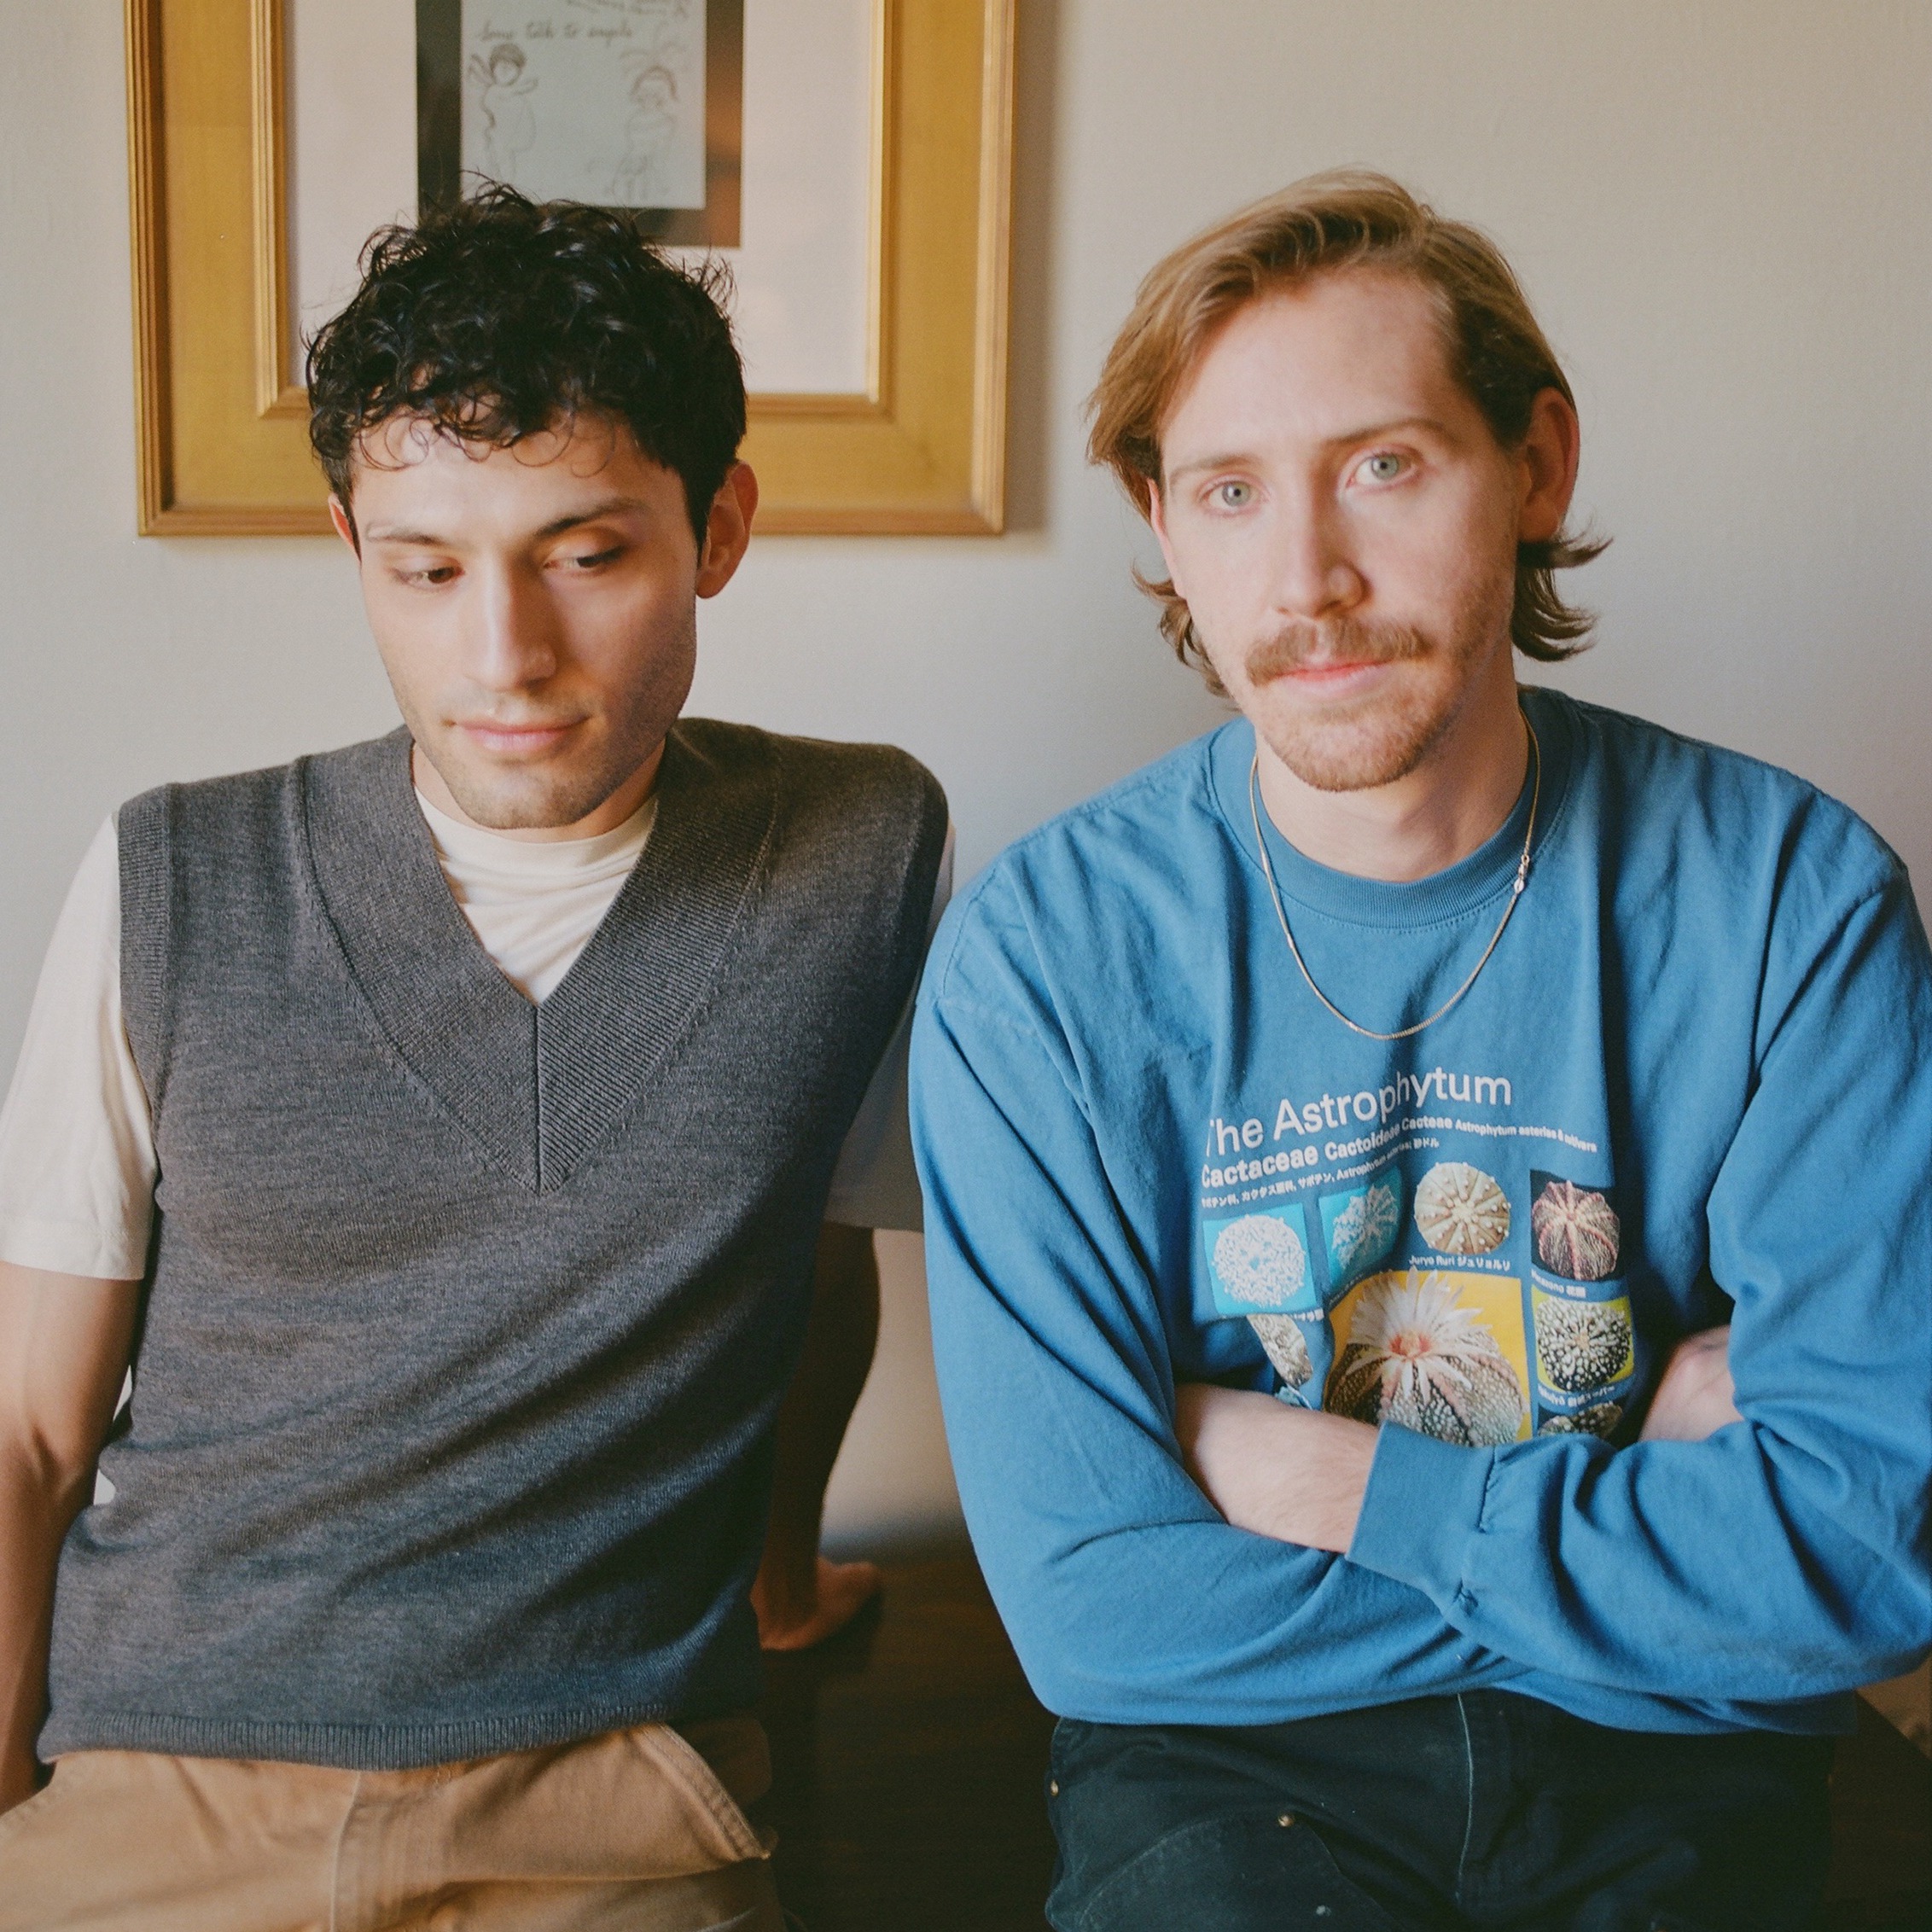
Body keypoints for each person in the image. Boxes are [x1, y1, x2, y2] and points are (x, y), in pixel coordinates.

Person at [911, 172, 1931, 1931]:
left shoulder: (1789, 897)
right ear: (1162, 522)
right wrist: (1650, 1521)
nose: (1308, 578)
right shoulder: (1041, 962)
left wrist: (1327, 1478)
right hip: (1231, 1768)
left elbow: (1860, 1557)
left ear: (1537, 465)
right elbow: (1094, 1613)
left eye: (1383, 464)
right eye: (1230, 491)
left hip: (1668, 1778)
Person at [0, 189, 949, 1929]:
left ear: (718, 527)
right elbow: (28, 1432)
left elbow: (815, 1253)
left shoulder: (857, 853)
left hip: (605, 1799)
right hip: (155, 1779)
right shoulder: (171, 877)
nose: (504, 655)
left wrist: (781, 1585)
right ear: (351, 546)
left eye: (585, 556)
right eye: (425, 570)